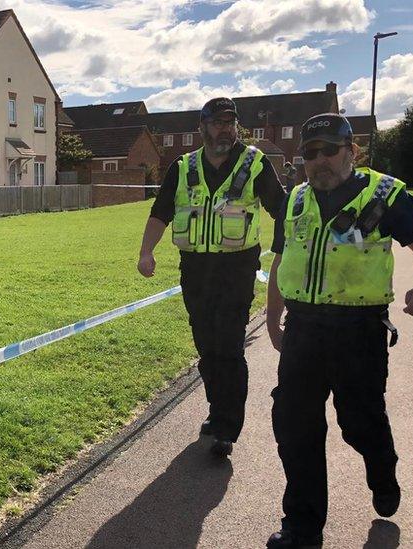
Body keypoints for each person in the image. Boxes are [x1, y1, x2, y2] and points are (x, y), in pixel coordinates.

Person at [265, 113, 413, 548]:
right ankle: (302, 528)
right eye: (310, 153)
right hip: (304, 329)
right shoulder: (294, 201)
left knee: (359, 423)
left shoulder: (385, 195)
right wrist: (272, 319)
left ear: (351, 151)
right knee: (294, 425)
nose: (319, 160)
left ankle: (382, 469)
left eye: (329, 149)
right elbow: (280, 261)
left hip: (358, 332)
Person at [137, 97, 285, 457]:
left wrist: (284, 252)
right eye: (217, 122)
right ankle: (218, 410)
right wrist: (146, 251)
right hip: (196, 269)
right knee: (206, 346)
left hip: (236, 267)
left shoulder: (254, 164)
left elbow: (282, 209)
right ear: (202, 127)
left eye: (230, 122)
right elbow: (161, 211)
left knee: (229, 345)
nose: (225, 128)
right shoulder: (183, 166)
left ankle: (226, 428)